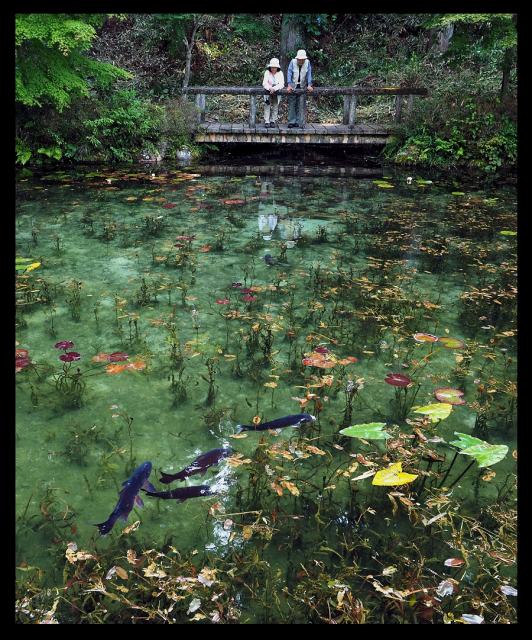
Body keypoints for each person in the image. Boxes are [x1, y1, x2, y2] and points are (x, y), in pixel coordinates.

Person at [286, 49, 313, 128]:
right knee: (292, 103)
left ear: (305, 59)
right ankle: (291, 121)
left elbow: (309, 74)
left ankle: (298, 121)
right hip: (293, 85)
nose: (300, 61)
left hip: (302, 86)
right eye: (299, 59)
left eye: (302, 60)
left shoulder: (307, 63)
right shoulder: (293, 62)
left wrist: (309, 84)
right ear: (297, 58)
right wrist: (289, 84)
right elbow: (289, 73)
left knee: (300, 104)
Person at [262, 58, 284, 128]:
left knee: (275, 105)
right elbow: (264, 83)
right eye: (272, 67)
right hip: (267, 91)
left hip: (276, 91)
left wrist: (274, 88)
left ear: (277, 67)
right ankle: (267, 121)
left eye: (275, 67)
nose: (273, 68)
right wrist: (270, 88)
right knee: (267, 105)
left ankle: (273, 120)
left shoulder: (280, 73)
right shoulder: (267, 72)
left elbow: (282, 84)